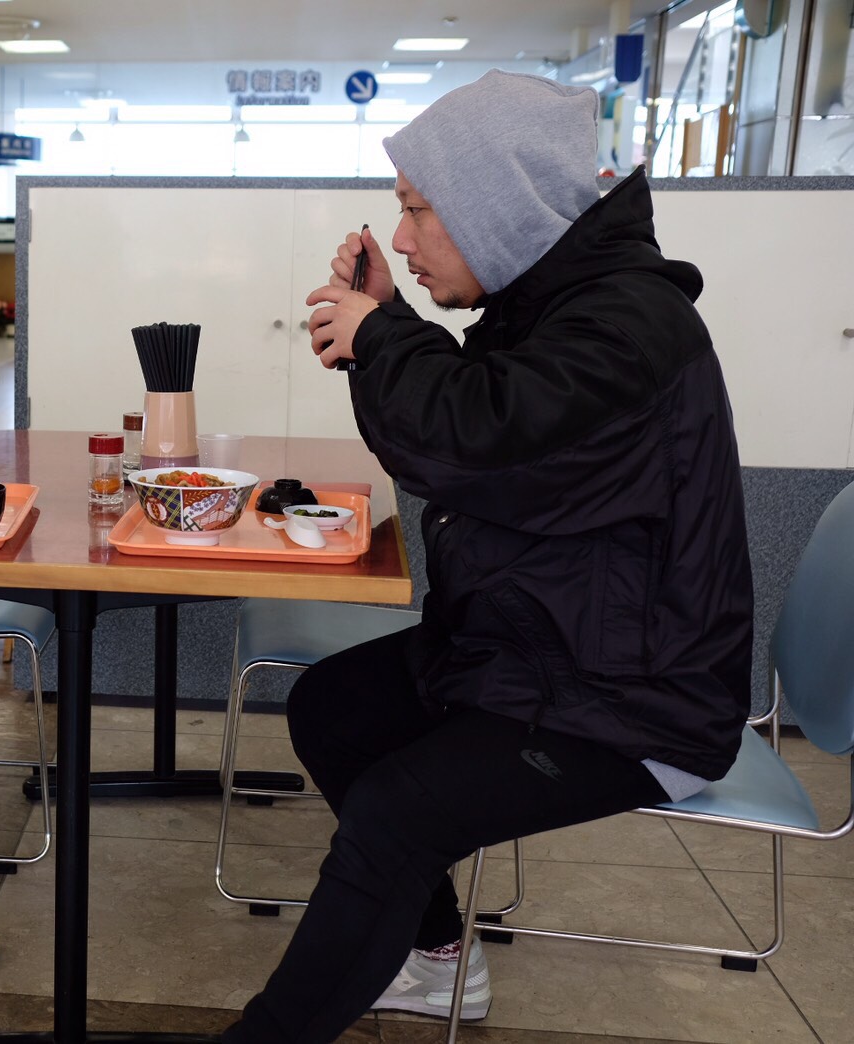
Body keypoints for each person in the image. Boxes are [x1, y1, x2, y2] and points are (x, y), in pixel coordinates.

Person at [223, 70, 753, 1042]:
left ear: (496, 207)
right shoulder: (560, 306)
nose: (404, 238)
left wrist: (384, 337)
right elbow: (474, 429)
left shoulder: (624, 329)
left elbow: (469, 440)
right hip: (541, 651)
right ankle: (434, 963)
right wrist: (389, 329)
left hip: (635, 702)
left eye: (419, 210)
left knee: (396, 812)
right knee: (332, 709)